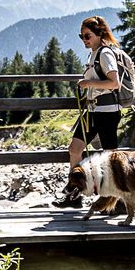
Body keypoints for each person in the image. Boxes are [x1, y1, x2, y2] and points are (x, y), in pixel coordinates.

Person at [52, 15, 127, 209]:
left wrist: (87, 83)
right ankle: (75, 196)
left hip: (107, 111)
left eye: (87, 36)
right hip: (93, 110)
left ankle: (117, 200)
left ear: (99, 34)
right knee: (74, 149)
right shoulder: (93, 54)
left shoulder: (105, 54)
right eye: (81, 36)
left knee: (110, 157)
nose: (84, 40)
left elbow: (114, 83)